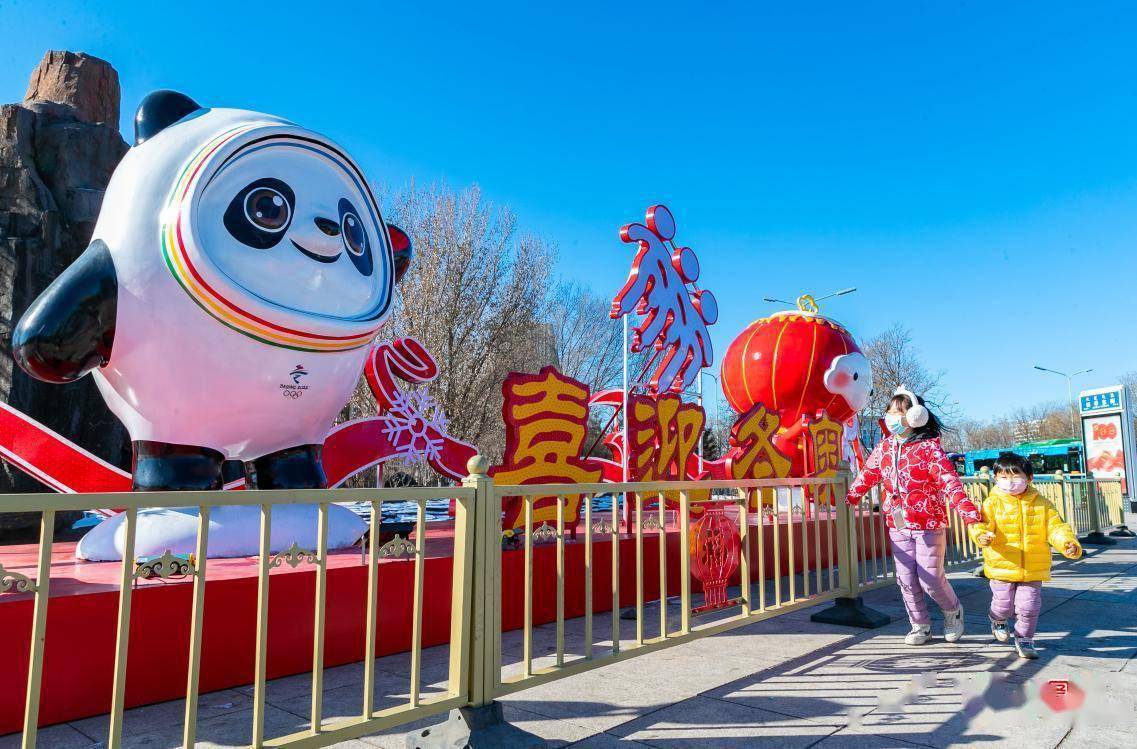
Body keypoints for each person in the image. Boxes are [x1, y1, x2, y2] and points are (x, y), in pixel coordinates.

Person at [847, 386, 982, 645]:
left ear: (916, 416)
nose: (892, 417)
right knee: (906, 579)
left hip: (928, 523)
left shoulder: (930, 449)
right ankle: (920, 625)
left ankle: (953, 610)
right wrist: (851, 496)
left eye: (899, 412)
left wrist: (969, 514)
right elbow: (868, 474)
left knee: (930, 578)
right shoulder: (884, 447)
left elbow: (949, 482)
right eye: (889, 412)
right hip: (897, 523)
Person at [969, 453, 1082, 659]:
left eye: (1015, 476)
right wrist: (981, 535)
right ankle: (997, 619)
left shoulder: (1042, 504)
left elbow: (1056, 527)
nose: (1009, 482)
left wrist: (1068, 543)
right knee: (1002, 605)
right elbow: (980, 525)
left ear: (1029, 478)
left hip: (1033, 567)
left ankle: (1025, 640)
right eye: (1003, 477)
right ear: (995, 478)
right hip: (1002, 564)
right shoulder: (991, 503)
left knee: (1029, 607)